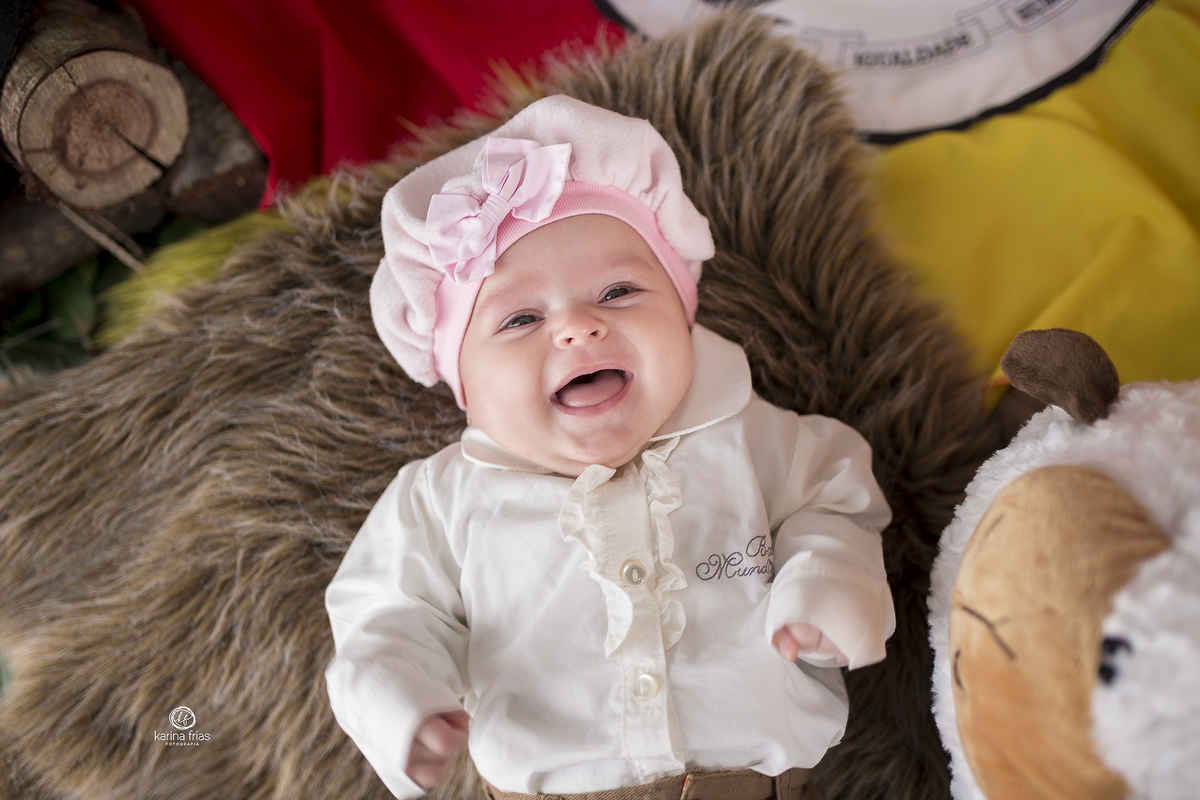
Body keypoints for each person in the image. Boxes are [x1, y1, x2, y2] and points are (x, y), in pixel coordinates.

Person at [325, 95, 895, 800]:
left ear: (683, 314)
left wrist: (826, 585)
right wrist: (396, 697)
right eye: (521, 318)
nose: (578, 327)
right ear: (462, 381)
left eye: (620, 290)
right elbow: (384, 614)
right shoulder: (442, 499)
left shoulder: (750, 435)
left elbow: (834, 502)